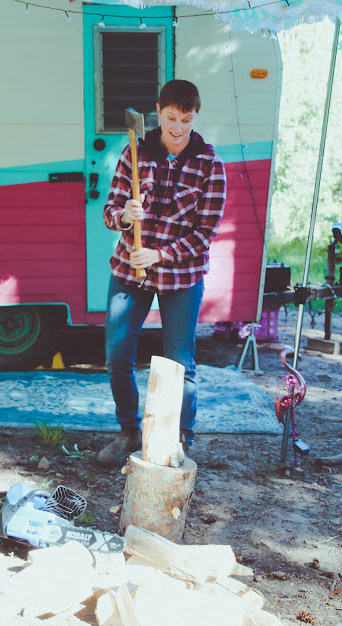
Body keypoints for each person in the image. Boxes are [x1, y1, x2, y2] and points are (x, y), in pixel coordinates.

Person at [98, 79, 226, 465]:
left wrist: (158, 254)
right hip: (129, 271)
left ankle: (178, 440)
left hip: (182, 277)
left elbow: (205, 235)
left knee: (179, 362)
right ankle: (128, 432)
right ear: (158, 111)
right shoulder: (135, 152)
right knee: (118, 355)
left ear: (195, 117)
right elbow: (109, 212)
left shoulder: (210, 165)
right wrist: (124, 215)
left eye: (186, 120)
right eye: (171, 118)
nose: (177, 128)